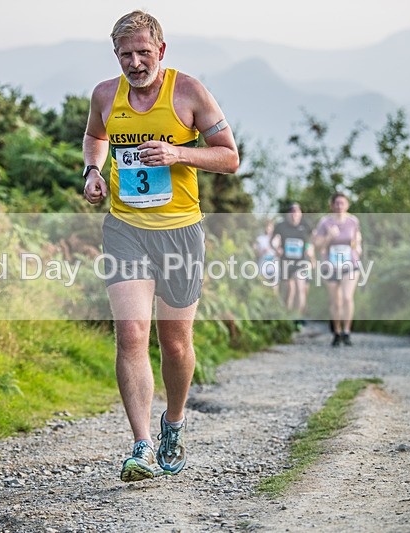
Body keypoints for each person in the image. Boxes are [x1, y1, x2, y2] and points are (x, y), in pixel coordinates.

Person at [82, 10, 240, 482]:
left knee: (175, 342)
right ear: (116, 56)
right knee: (131, 334)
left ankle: (174, 422)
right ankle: (141, 445)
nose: (135, 63)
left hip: (179, 231)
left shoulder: (189, 92)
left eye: (143, 53)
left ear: (161, 51)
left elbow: (230, 157)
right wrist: (92, 171)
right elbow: (96, 137)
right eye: (125, 55)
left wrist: (178, 153)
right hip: (125, 227)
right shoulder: (105, 95)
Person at [313, 193, 362, 347]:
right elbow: (317, 246)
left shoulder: (353, 221)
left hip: (350, 264)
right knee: (336, 301)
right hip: (331, 266)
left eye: (343, 203)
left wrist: (358, 247)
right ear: (332, 205)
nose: (340, 206)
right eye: (337, 203)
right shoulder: (325, 222)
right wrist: (329, 237)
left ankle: (347, 332)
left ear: (347, 205)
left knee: (347, 298)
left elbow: (357, 240)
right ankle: (336, 332)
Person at [271, 203, 313, 330]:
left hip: (301, 262)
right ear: (288, 214)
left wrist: (311, 252)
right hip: (285, 262)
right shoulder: (280, 226)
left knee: (301, 288)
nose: (294, 215)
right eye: (292, 212)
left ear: (300, 214)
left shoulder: (306, 225)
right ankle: (287, 315)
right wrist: (276, 248)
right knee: (289, 290)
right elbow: (271, 241)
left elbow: (312, 240)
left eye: (297, 212)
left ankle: (298, 318)